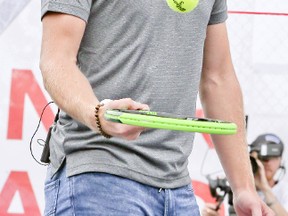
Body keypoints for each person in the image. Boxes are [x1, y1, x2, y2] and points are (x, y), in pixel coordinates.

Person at [39, 0, 274, 215]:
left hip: (177, 188)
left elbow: (218, 78)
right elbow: (56, 61)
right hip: (97, 173)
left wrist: (243, 188)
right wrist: (97, 113)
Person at [250, 133, 288, 216]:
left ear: (280, 161)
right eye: (264, 157)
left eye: (274, 157)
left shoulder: (285, 190)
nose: (268, 162)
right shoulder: (238, 186)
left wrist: (265, 188)